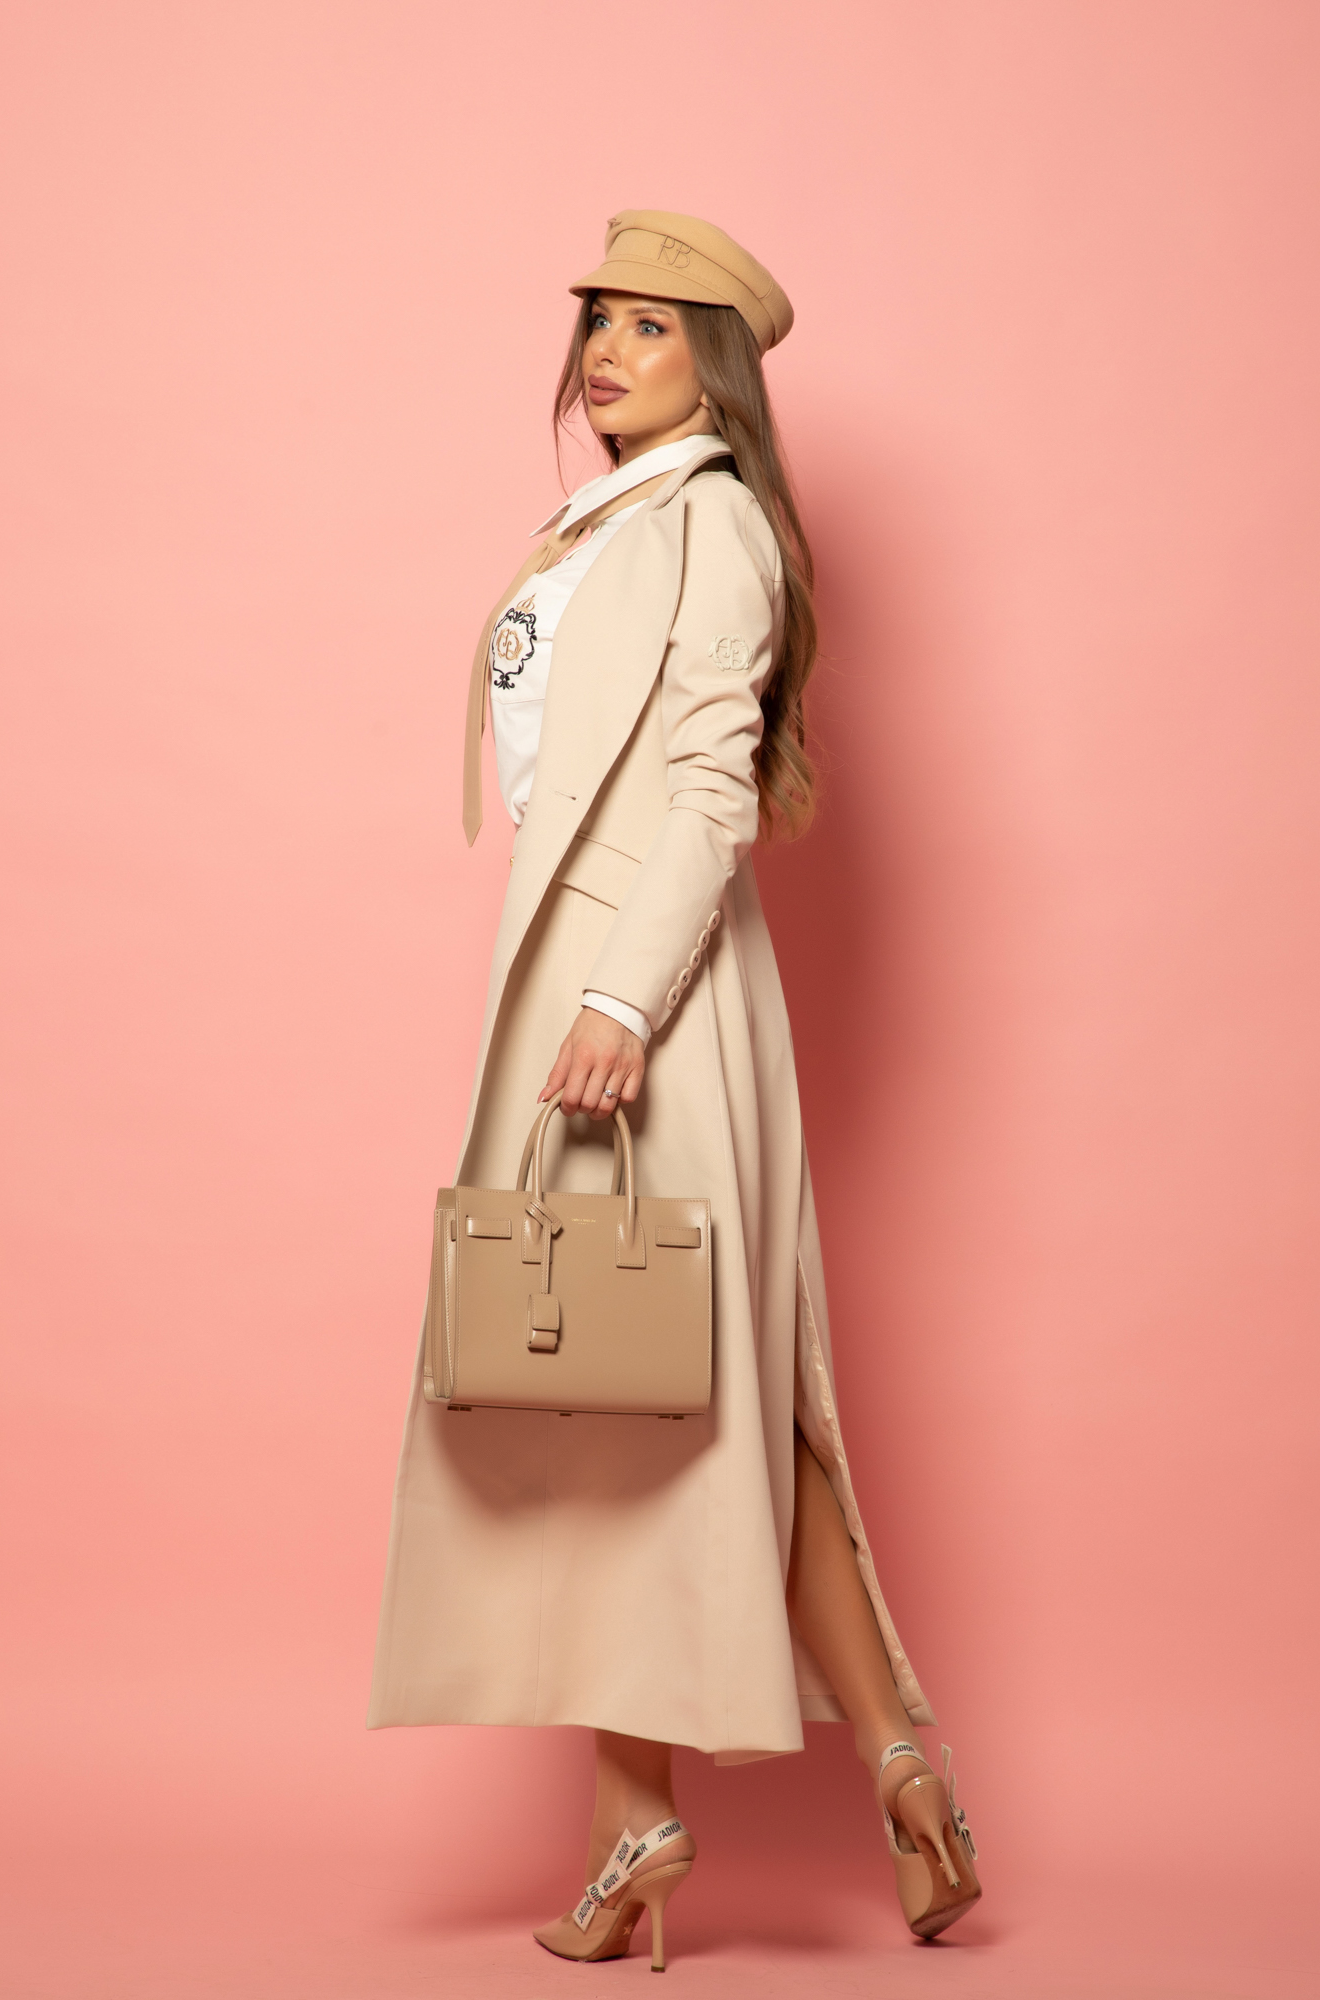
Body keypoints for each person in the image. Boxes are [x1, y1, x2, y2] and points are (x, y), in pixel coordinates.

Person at [369, 209, 980, 1968]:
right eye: (598, 321)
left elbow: (711, 786)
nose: (606, 352)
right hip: (584, 977)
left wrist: (622, 999)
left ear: (715, 367)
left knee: (641, 1386)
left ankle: (648, 1821)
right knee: (651, 1389)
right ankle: (879, 1768)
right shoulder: (615, 520)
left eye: (650, 326)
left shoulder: (711, 523)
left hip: (645, 993)